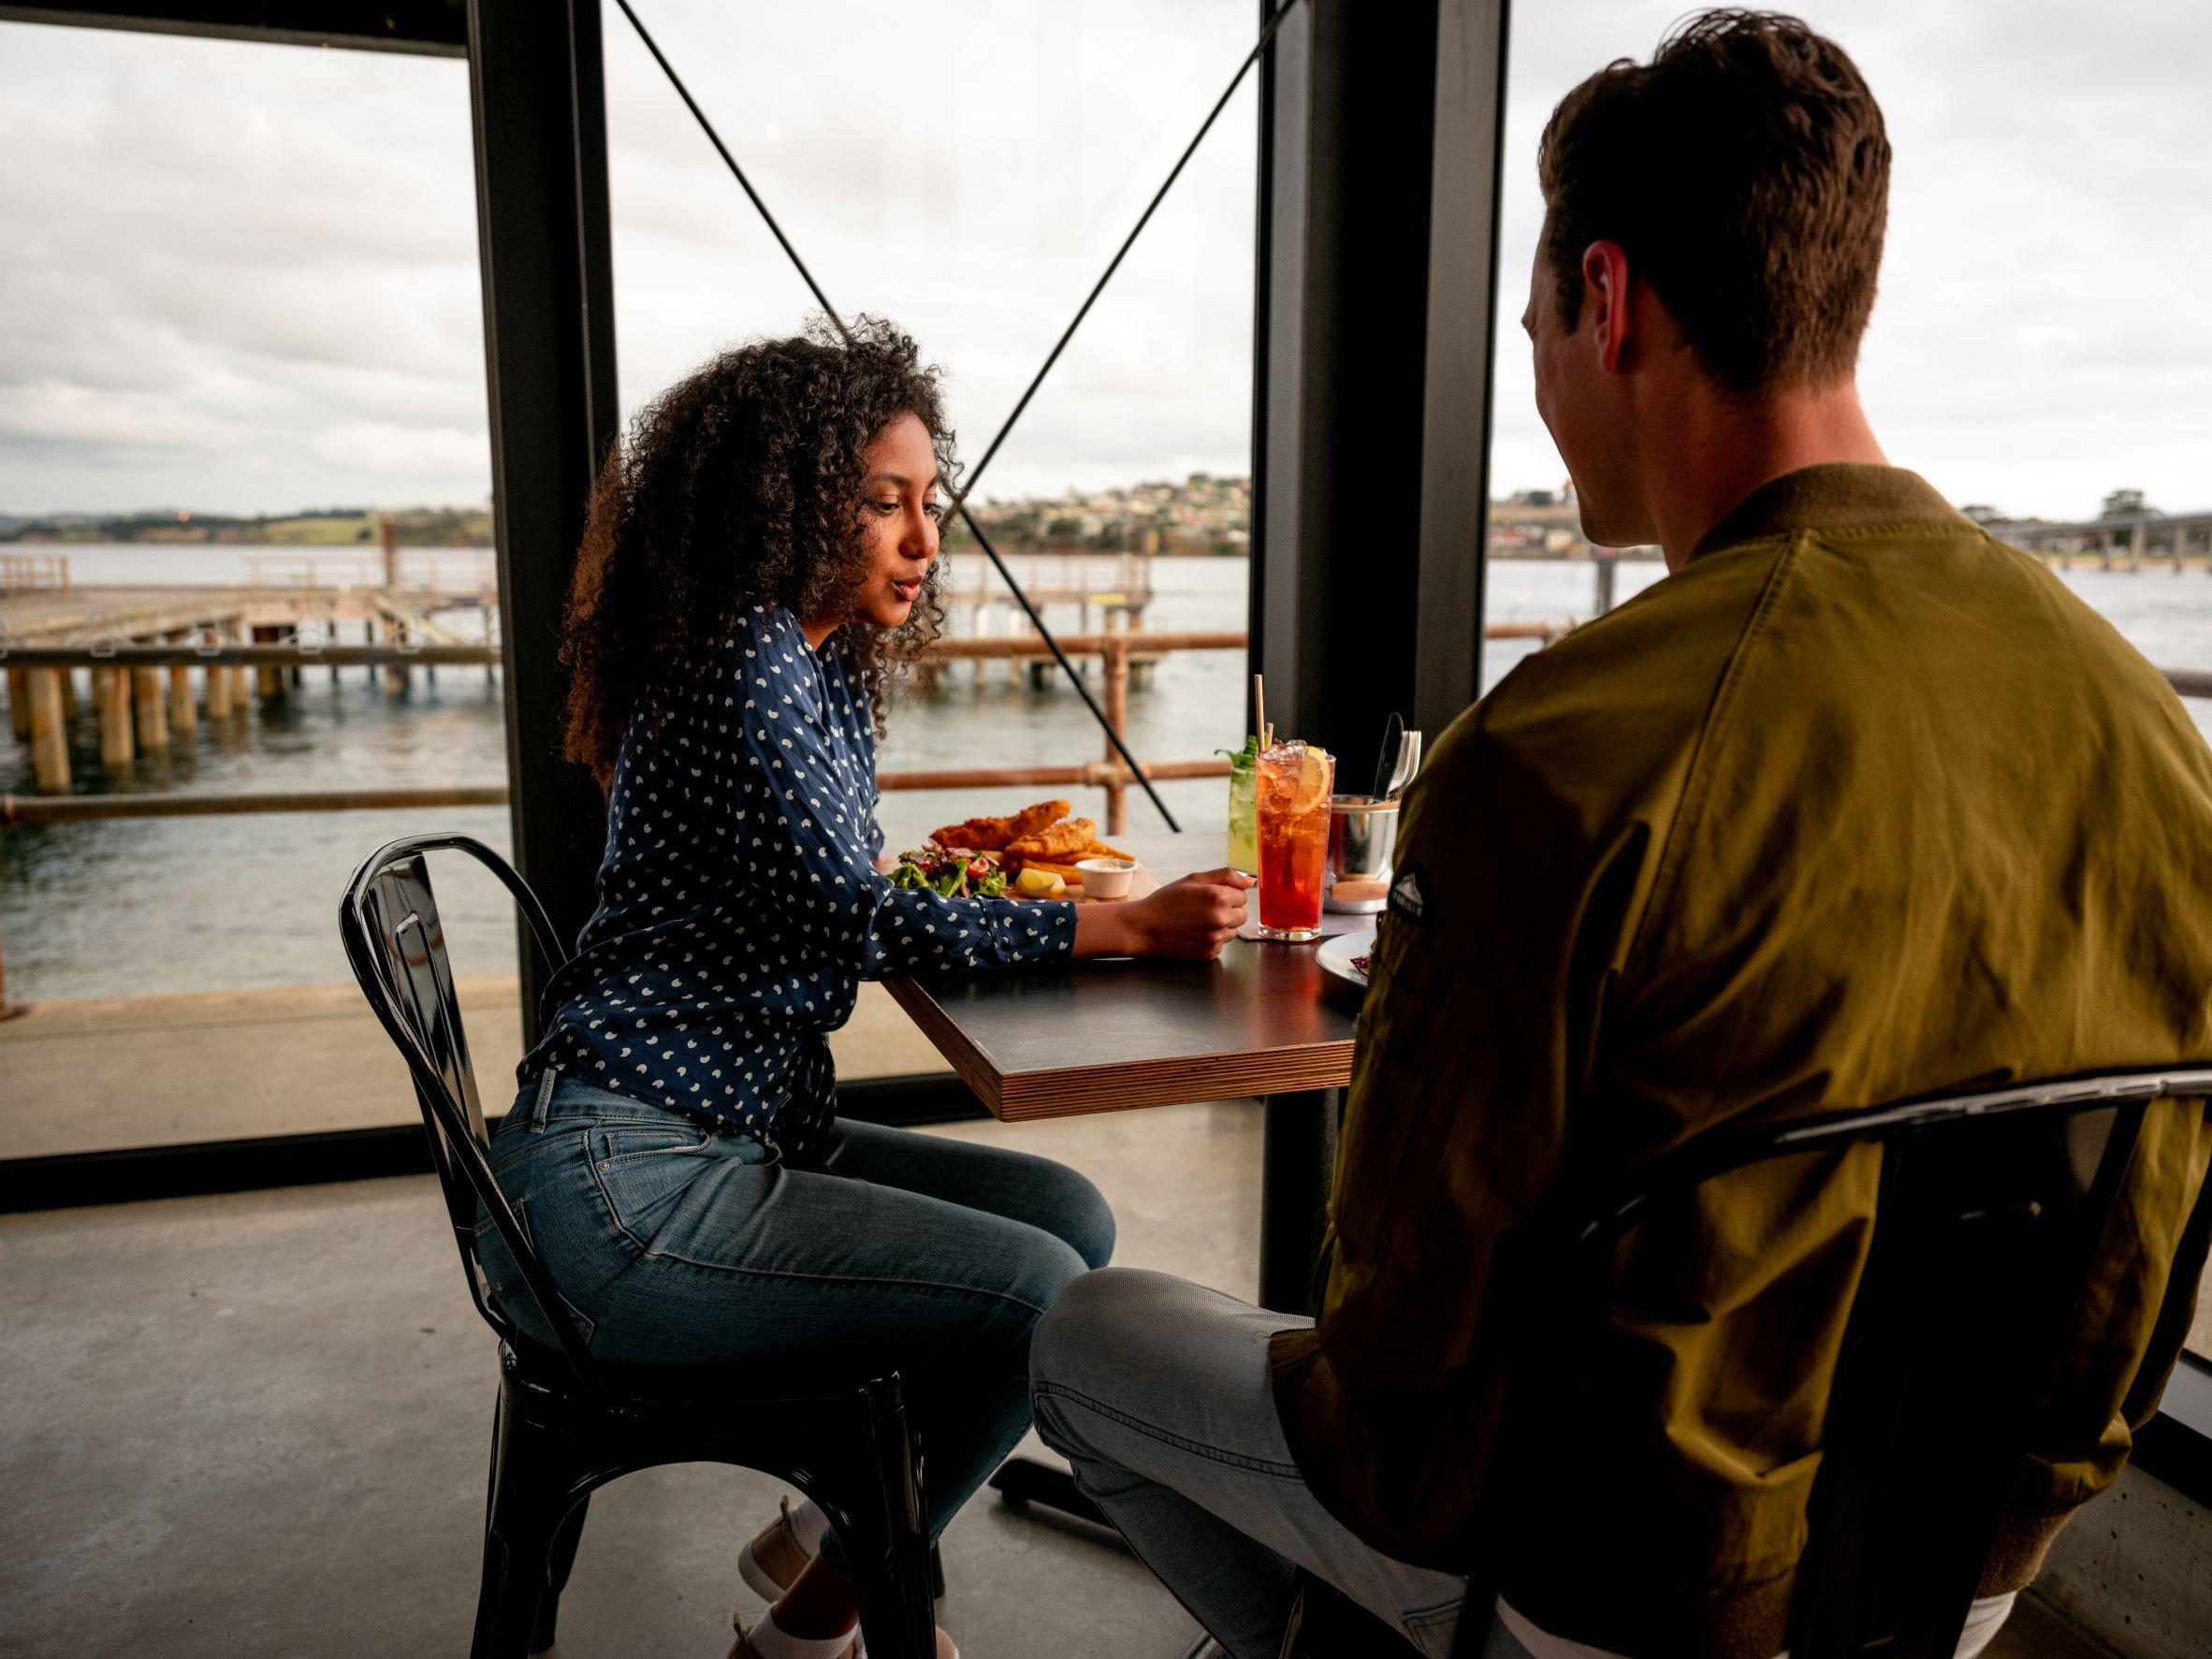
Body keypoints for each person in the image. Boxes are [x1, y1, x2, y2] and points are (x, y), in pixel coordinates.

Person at [1027, 11, 2212, 1658]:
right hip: (1971, 1565)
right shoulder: (2154, 736)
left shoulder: (1561, 754)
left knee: (1088, 1328)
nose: (1538, 379)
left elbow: (1394, 1357)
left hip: (1614, 1587)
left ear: (1606, 298)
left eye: (1531, 327)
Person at [473, 319, 1254, 1659]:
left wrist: (1052, 900)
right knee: (1039, 1303)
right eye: (884, 502)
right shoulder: (742, 662)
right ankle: (818, 1616)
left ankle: (836, 1532)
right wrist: (1116, 927)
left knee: (1068, 1216)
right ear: (786, 504)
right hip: (625, 1192)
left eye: (928, 501)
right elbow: (852, 914)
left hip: (729, 1133)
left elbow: (845, 875)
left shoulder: (810, 658)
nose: (923, 538)